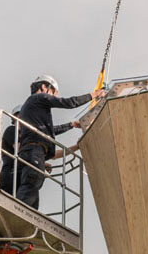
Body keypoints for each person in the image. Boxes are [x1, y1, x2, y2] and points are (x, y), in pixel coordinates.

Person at [15, 74, 104, 210]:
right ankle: (18, 213)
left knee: (32, 191)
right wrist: (93, 95)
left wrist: (71, 125)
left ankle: (24, 218)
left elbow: (48, 131)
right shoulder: (38, 98)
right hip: (34, 151)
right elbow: (68, 103)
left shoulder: (31, 108)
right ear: (44, 87)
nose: (54, 97)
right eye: (53, 93)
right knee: (31, 186)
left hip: (31, 151)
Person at [0, 106, 22, 197]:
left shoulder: (26, 136)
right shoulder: (12, 130)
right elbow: (20, 150)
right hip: (10, 174)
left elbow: (51, 154)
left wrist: (70, 150)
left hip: (19, 175)